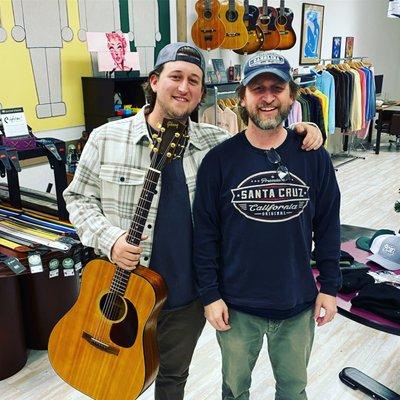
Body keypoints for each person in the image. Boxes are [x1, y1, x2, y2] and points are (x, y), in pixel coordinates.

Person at [64, 43, 324, 400]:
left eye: (194, 80)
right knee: (110, 374)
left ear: (203, 92)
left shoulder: (215, 144)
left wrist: (304, 131)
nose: (184, 87)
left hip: (184, 298)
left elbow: (262, 138)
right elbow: (77, 198)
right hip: (121, 288)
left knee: (173, 378)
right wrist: (109, 239)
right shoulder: (106, 138)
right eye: (175, 77)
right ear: (154, 81)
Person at [193, 52, 341, 400]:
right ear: (243, 97)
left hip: (297, 303)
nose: (268, 97)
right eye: (258, 88)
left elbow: (329, 224)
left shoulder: (312, 154)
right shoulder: (219, 161)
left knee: (293, 390)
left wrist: (330, 287)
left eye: (277, 87)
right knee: (234, 390)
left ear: (291, 95)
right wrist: (210, 295)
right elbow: (205, 235)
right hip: (236, 306)